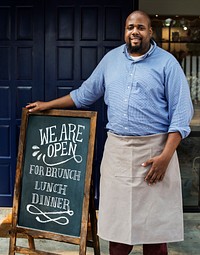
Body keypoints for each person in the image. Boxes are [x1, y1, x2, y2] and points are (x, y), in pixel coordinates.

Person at [26, 10, 193, 255]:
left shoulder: (167, 63)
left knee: (155, 235)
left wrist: (165, 157)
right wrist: (47, 105)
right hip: (118, 152)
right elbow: (84, 95)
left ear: (150, 32)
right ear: (125, 31)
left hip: (155, 152)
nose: (134, 32)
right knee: (118, 231)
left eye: (141, 27)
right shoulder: (111, 60)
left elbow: (181, 115)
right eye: (130, 27)